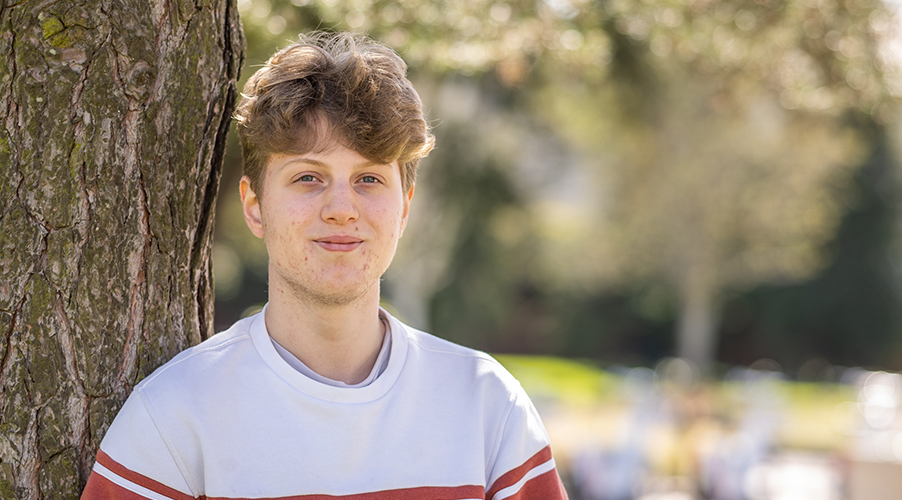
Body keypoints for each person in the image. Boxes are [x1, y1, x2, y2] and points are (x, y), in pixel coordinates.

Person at [80, 32, 568, 499]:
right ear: (254, 206)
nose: (341, 207)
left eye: (369, 180)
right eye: (308, 176)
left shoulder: (486, 407)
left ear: (404, 208)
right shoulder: (174, 417)